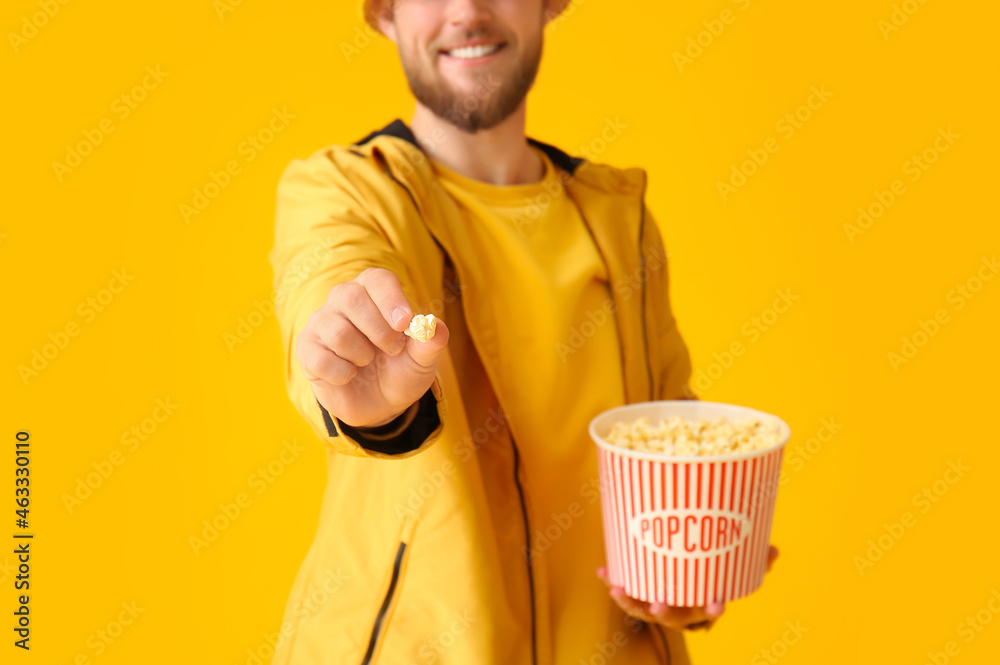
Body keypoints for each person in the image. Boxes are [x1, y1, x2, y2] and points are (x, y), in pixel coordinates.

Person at [267, 1, 778, 663]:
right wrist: (362, 386)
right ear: (385, 14)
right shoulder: (343, 191)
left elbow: (664, 437)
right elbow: (330, 278)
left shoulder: (619, 219)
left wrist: (690, 557)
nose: (468, 11)